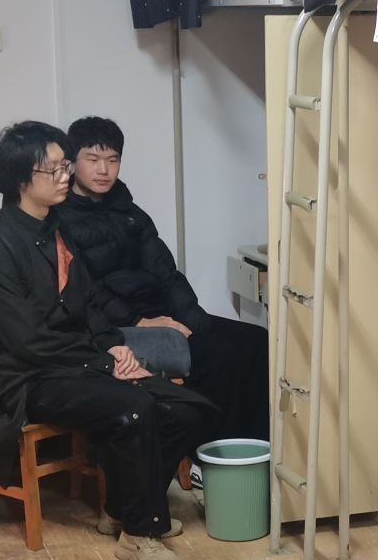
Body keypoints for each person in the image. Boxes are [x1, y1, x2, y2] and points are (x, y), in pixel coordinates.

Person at [0, 120, 213, 560]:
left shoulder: (55, 229)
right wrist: (104, 363)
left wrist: (115, 347)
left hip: (80, 362)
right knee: (134, 408)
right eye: (53, 169)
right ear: (21, 179)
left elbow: (88, 305)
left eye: (65, 166)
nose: (65, 176)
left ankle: (122, 510)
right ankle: (139, 533)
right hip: (33, 377)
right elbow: (27, 340)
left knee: (189, 410)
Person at [59, 114, 270, 441]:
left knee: (257, 341)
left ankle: (255, 447)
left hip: (159, 314)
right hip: (118, 327)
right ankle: (211, 450)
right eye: (93, 159)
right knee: (219, 356)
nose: (104, 170)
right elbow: (87, 290)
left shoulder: (132, 213)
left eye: (112, 160)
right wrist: (141, 321)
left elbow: (165, 273)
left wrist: (192, 320)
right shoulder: (61, 219)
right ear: (73, 162)